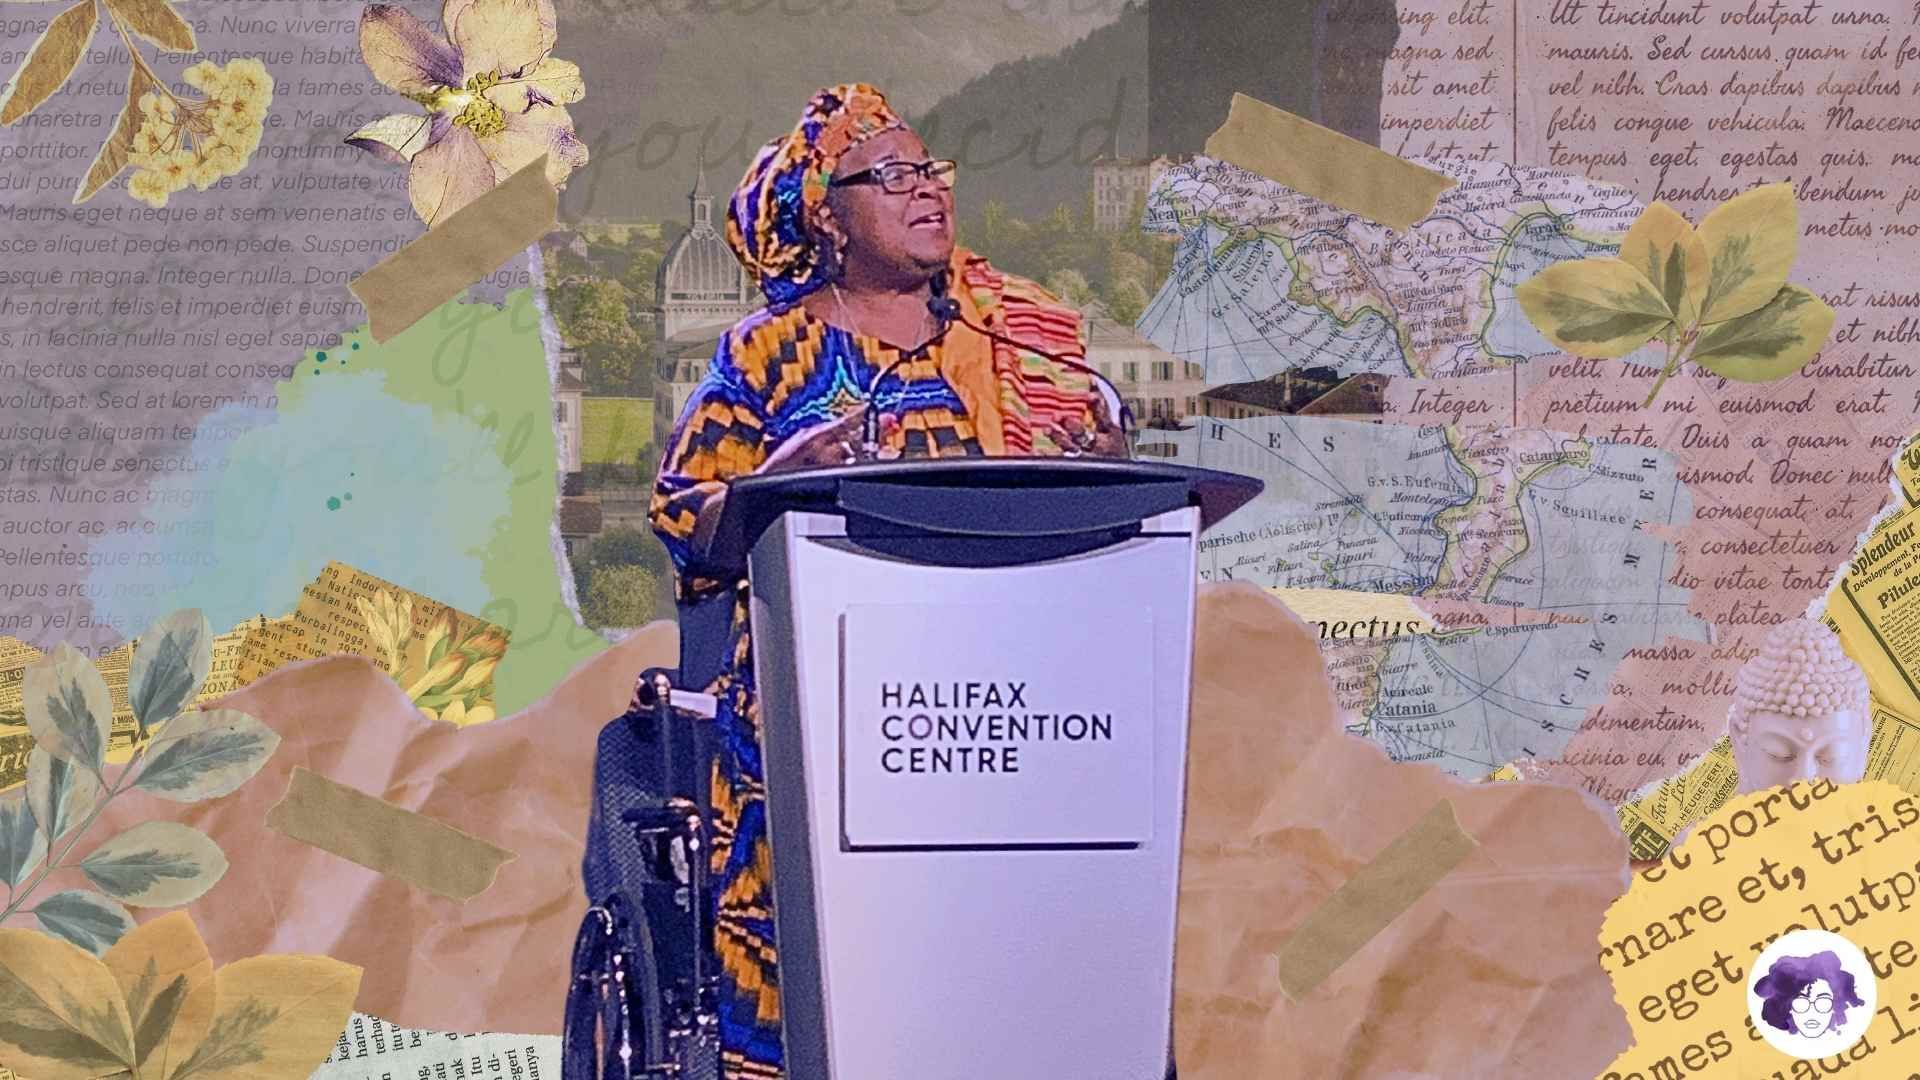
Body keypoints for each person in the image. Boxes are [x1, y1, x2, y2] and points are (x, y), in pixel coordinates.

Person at [643, 83, 1127, 1080]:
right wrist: (777, 484)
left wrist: (1108, 471)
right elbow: (684, 517)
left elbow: (1070, 525)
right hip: (809, 738)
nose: (929, 191)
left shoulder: (1009, 346)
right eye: (894, 176)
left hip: (995, 725)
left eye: (932, 171)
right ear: (827, 214)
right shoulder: (769, 356)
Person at [1727, 619, 1870, 796]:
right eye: (1779, 755)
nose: (1804, 779)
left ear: (1864, 742)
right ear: (1740, 743)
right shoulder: (1713, 825)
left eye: (1831, 757)